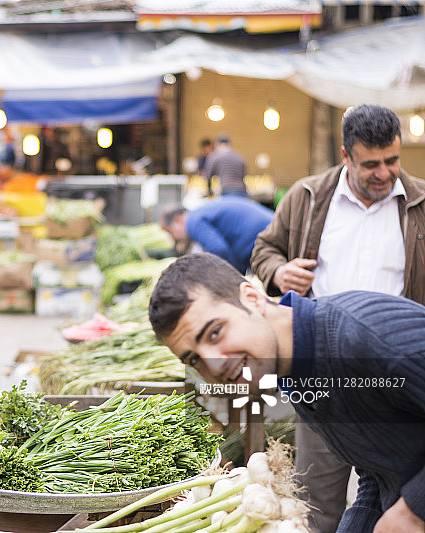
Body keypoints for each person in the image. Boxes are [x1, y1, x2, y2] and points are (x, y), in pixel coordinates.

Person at [148, 252, 425, 533]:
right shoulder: (296, 371)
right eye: (194, 359)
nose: (214, 364)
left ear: (252, 299)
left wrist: (413, 511)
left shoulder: (366, 335)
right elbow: (378, 472)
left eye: (215, 332)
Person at [251, 104, 425, 533]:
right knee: (316, 506)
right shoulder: (308, 197)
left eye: (392, 161)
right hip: (321, 377)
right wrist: (278, 271)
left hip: (395, 377)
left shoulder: (420, 202)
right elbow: (263, 250)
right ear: (345, 156)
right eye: (371, 164)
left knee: (395, 499)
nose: (384, 173)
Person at [160, 197, 273, 275]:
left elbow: (218, 249)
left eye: (170, 232)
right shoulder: (199, 213)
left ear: (177, 219)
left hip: (266, 236)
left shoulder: (192, 222)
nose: (174, 238)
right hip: (267, 230)